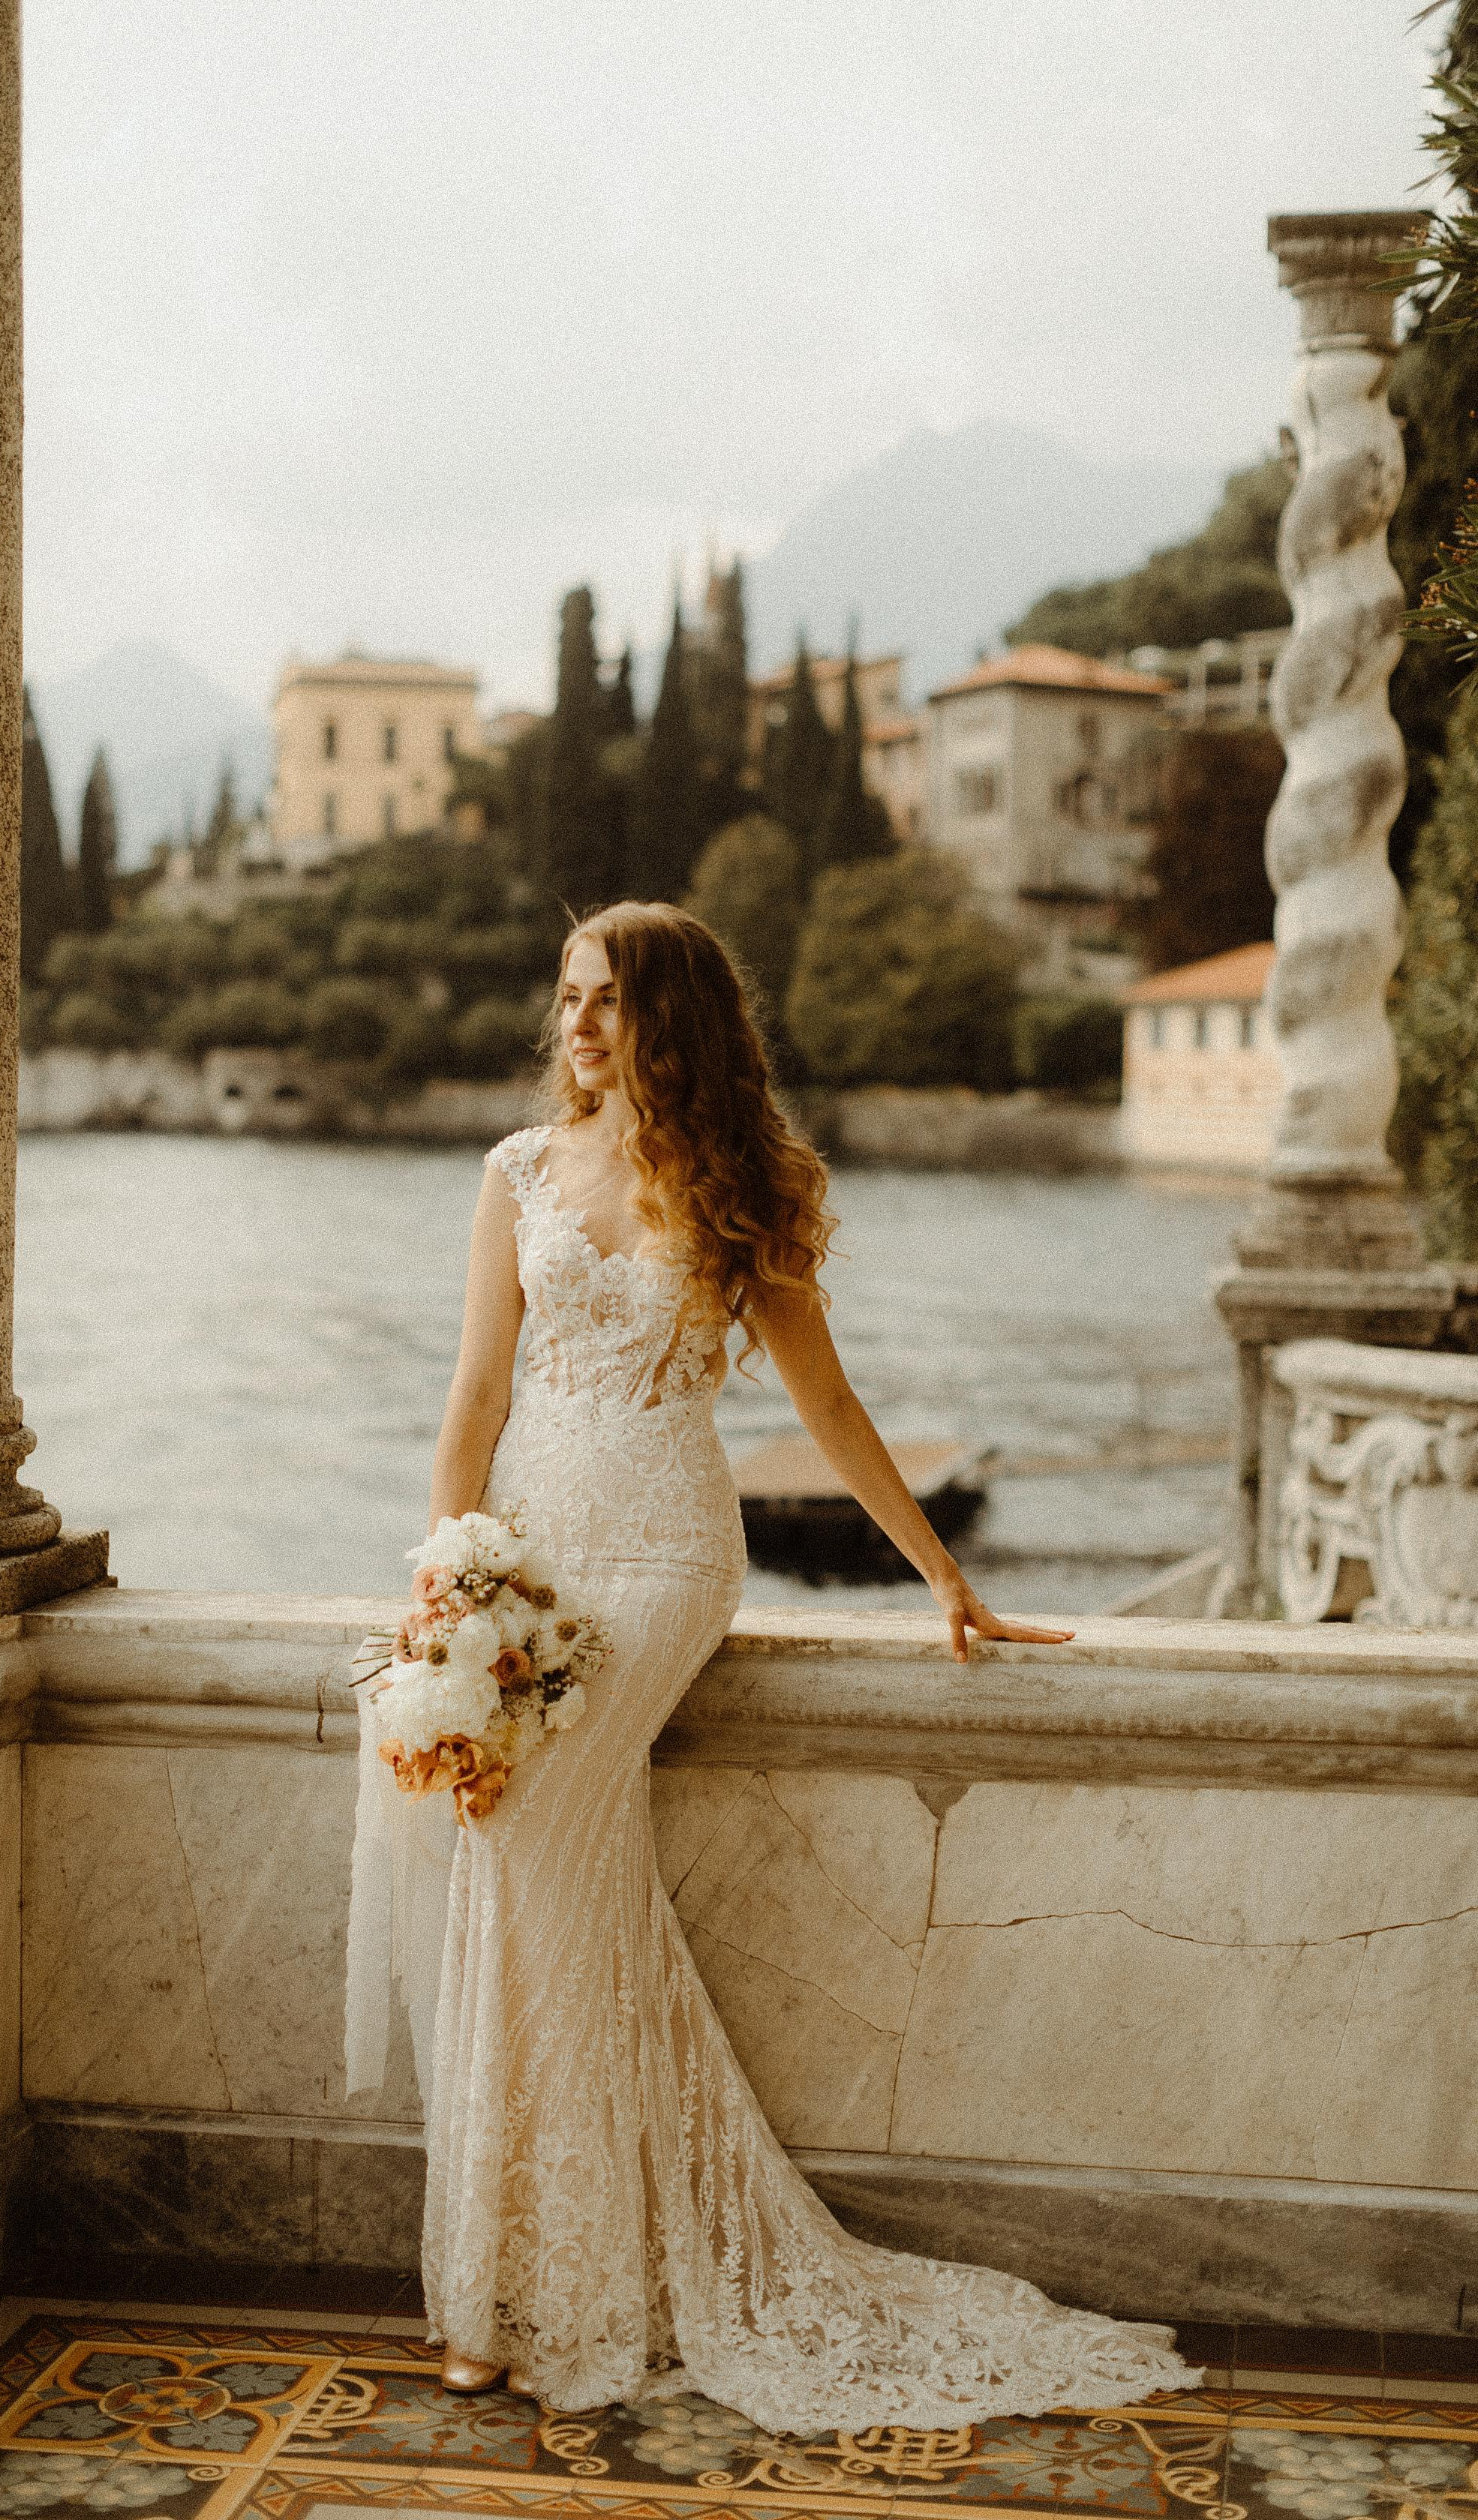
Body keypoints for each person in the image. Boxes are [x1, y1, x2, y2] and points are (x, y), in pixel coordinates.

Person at [404, 900, 1195, 2429]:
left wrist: (946, 1577)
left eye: (607, 1000)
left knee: (524, 1849)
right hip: (530, 1553)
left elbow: (827, 1410)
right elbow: (478, 1387)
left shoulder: (736, 1185)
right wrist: (444, 1578)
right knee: (546, 1887)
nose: (574, 1025)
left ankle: (555, 2297)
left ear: (670, 1019)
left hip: (664, 1559)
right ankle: (522, 2282)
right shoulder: (515, 1172)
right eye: (565, 997)